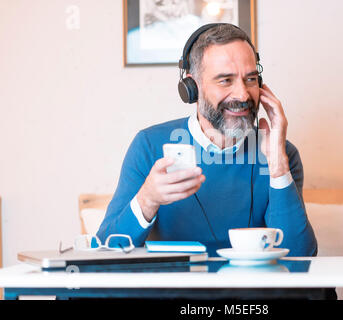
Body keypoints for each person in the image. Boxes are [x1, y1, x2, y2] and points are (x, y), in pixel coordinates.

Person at [97, 23, 318, 258]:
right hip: (176, 291)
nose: (242, 95)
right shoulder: (149, 146)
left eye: (251, 79)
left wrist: (278, 167)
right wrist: (147, 199)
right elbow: (102, 252)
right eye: (225, 80)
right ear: (192, 87)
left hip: (249, 291)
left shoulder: (280, 153)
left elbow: (301, 258)